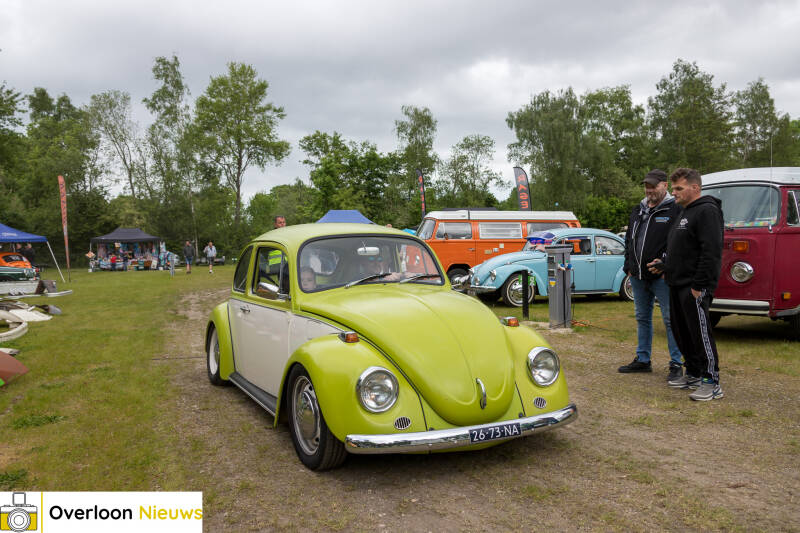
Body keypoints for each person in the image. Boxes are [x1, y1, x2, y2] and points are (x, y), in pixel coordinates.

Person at [648, 168, 724, 401]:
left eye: (679, 188)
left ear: (695, 187)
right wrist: (665, 265)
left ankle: (711, 382)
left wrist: (699, 285)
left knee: (700, 333)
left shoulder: (707, 211)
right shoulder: (684, 212)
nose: (674, 192)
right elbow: (683, 250)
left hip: (694, 285)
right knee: (683, 332)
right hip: (676, 283)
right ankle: (693, 373)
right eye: (673, 188)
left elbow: (710, 251)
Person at [618, 169, 684, 380]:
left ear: (664, 185)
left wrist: (666, 265)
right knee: (642, 318)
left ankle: (676, 364)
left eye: (653, 186)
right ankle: (643, 360)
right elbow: (629, 239)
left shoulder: (675, 209)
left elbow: (679, 242)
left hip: (662, 277)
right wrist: (628, 266)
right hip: (638, 276)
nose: (649, 190)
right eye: (647, 186)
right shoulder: (638, 209)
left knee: (670, 320)